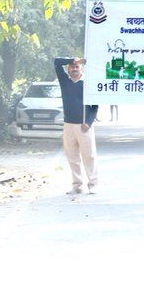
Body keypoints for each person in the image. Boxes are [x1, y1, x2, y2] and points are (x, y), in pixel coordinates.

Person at [54, 56, 99, 195]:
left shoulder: (87, 84)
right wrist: (72, 59)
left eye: (76, 67)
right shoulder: (64, 81)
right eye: (72, 67)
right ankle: (77, 185)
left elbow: (95, 106)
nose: (74, 69)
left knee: (89, 156)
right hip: (68, 124)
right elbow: (56, 62)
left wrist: (89, 123)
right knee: (72, 156)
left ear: (81, 68)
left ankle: (93, 184)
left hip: (84, 125)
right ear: (68, 69)